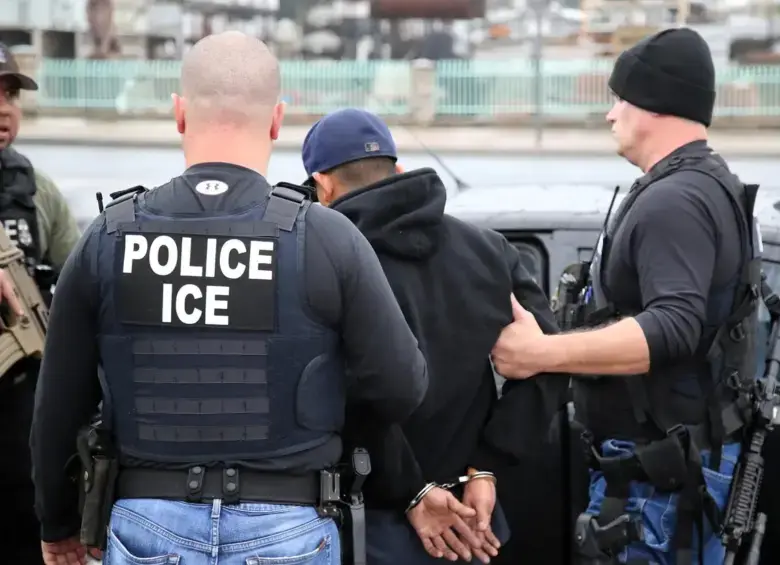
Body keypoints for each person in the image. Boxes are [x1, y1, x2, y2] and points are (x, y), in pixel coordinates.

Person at [30, 32, 429, 565]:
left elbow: (56, 407)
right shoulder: (328, 237)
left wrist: (57, 524)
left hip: (146, 523)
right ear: (276, 120)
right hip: (291, 525)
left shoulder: (109, 236)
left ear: (178, 114)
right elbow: (402, 387)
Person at [491, 28, 761, 565]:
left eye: (620, 98)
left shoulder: (675, 202)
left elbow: (675, 326)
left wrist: (540, 352)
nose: (611, 114)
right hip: (666, 471)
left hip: (656, 483)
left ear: (656, 104)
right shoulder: (704, 185)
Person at [301, 108, 570, 565]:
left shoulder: (329, 262)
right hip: (474, 525)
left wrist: (413, 491)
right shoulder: (488, 251)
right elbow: (549, 361)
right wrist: (487, 467)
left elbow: (349, 397)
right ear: (398, 171)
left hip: (370, 526)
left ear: (323, 186)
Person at [0, 42, 82, 565]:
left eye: (10, 94)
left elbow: (80, 295)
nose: (5, 108)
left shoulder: (36, 193)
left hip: (19, 415)